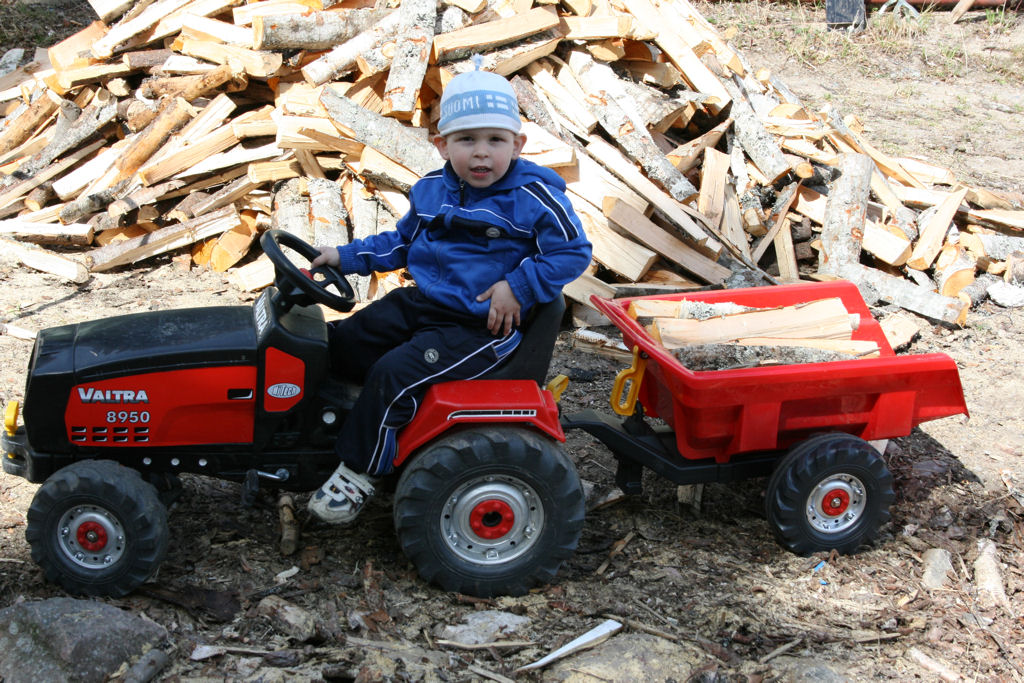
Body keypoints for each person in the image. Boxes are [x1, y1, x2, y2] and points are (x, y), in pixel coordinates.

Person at [305, 64, 593, 524]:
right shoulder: (433, 191)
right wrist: (343, 256)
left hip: (481, 326)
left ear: (517, 145)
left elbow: (573, 253)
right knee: (342, 340)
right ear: (441, 144)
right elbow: (399, 244)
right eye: (466, 140)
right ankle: (318, 427)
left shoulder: (535, 197)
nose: (481, 154)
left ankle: (358, 471)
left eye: (495, 141)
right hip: (424, 304)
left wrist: (517, 286)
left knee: (393, 374)